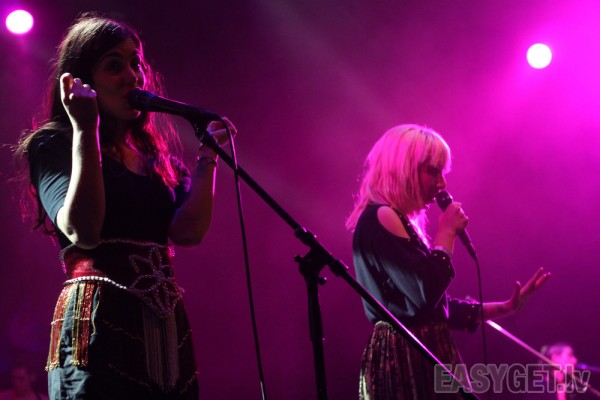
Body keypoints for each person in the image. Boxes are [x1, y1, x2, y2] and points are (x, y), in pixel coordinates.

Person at [14, 13, 236, 400]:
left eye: (136, 63)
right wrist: (85, 129)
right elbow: (83, 230)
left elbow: (189, 232)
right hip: (98, 327)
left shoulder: (155, 160)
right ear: (81, 81)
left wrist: (208, 158)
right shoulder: (52, 145)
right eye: (114, 66)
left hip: (163, 332)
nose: (132, 76)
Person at [345, 124, 550, 399]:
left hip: (417, 349)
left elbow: (434, 308)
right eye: (433, 171)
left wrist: (506, 307)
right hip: (405, 356)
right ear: (404, 168)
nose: (442, 184)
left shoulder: (390, 219)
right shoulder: (382, 216)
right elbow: (424, 294)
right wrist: (446, 234)